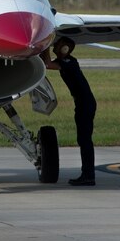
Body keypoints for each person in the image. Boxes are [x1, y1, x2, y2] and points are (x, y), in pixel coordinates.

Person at [42, 36, 97, 186]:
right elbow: (46, 62)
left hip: (85, 104)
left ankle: (88, 175)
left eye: (56, 45)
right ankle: (87, 174)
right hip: (83, 103)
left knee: (85, 140)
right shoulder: (66, 61)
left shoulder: (69, 62)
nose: (54, 47)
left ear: (64, 49)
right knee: (84, 139)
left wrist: (44, 43)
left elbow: (46, 64)